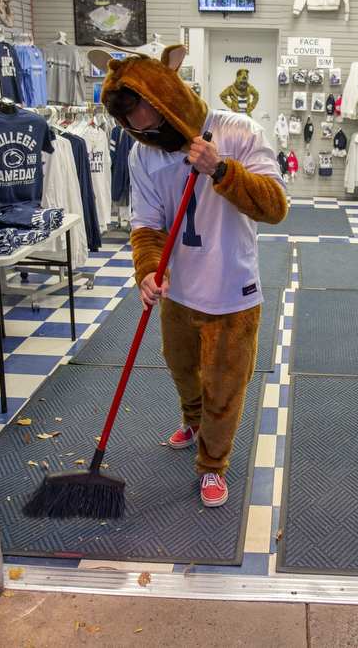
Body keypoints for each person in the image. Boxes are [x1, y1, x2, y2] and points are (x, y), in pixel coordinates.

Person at [98, 44, 287, 507]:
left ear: (171, 100)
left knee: (225, 385)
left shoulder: (239, 131)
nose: (151, 136)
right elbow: (146, 225)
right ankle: (193, 420)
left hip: (232, 289)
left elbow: (275, 207)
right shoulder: (143, 154)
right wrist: (146, 270)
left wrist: (220, 170)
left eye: (156, 124)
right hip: (177, 290)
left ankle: (212, 464)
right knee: (182, 370)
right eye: (137, 129)